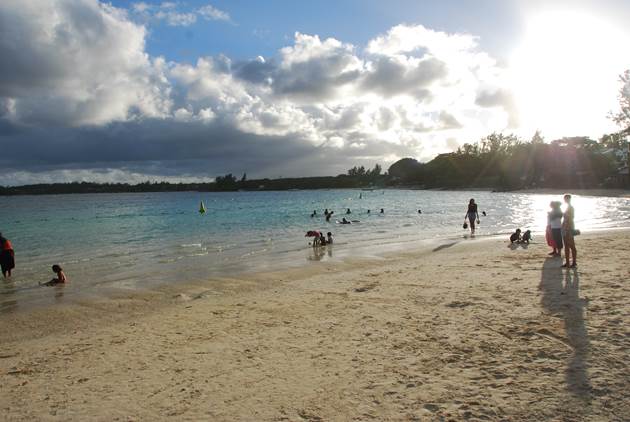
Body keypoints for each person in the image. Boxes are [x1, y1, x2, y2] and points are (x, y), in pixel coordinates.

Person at [562, 194, 577, 268]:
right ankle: (567, 262)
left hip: (569, 228)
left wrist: (570, 229)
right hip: (565, 228)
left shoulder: (571, 208)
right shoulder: (567, 207)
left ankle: (574, 262)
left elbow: (571, 218)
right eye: (565, 199)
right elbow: (565, 219)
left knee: (571, 245)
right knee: (566, 246)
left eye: (566, 199)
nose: (565, 200)